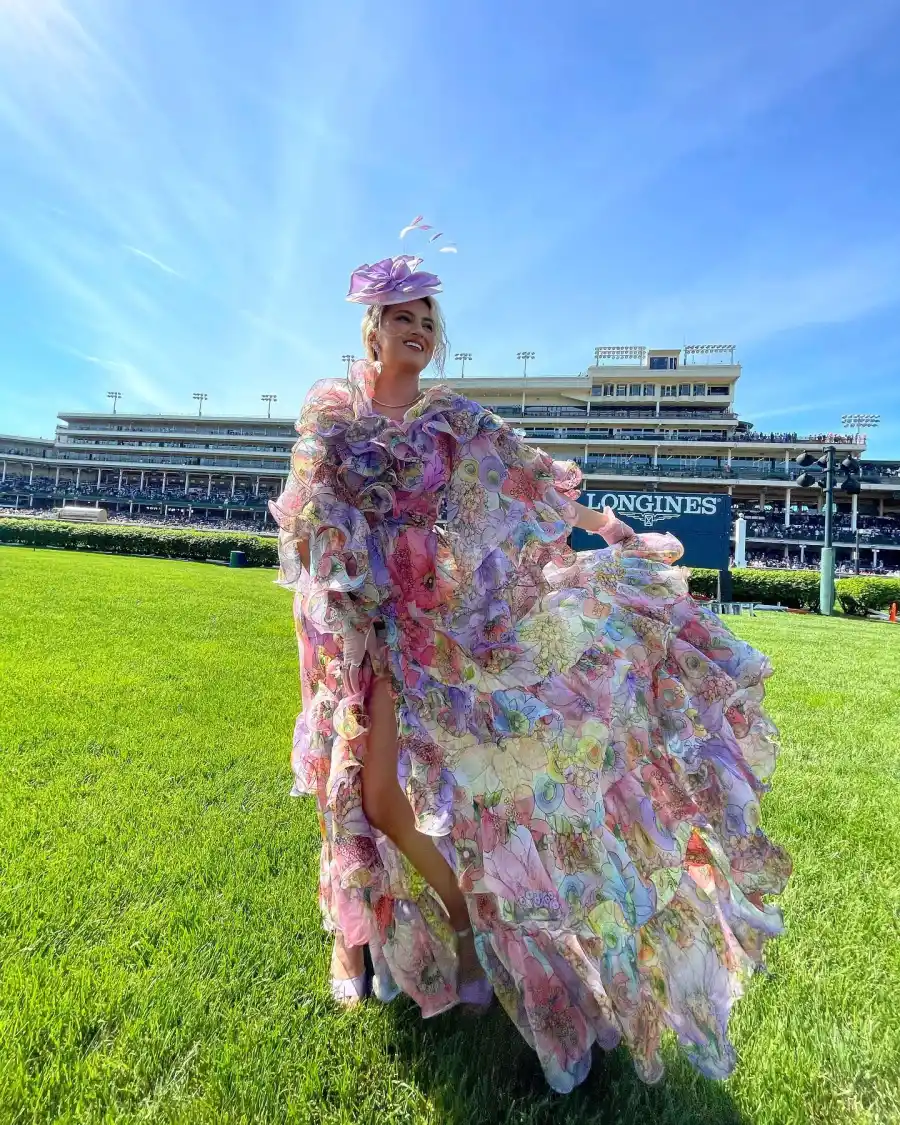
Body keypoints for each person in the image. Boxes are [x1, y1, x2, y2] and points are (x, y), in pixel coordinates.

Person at [268, 252, 792, 1094]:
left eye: (429, 320)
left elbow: (524, 474)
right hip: (358, 613)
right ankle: (396, 931)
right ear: (370, 326)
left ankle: (470, 922)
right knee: (362, 791)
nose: (420, 331)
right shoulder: (332, 406)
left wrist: (601, 521)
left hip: (437, 620)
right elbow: (311, 498)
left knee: (415, 790)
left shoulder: (450, 420)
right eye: (404, 317)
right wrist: (343, 577)